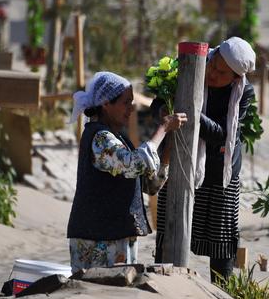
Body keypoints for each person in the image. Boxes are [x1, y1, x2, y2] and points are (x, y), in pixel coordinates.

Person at [155, 36, 256, 282]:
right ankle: (163, 287)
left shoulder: (243, 93)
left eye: (221, 73)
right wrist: (164, 111)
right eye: (213, 64)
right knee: (170, 234)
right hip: (180, 163)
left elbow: (222, 134)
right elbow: (159, 102)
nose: (211, 73)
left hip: (221, 172)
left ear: (236, 78)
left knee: (221, 243)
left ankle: (222, 294)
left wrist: (191, 110)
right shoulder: (190, 66)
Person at [67, 71, 187, 273]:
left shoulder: (118, 138)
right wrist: (164, 128)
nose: (131, 109)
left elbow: (148, 185)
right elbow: (133, 164)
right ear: (106, 103)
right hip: (97, 238)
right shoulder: (99, 138)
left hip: (115, 235)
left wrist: (167, 149)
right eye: (125, 103)